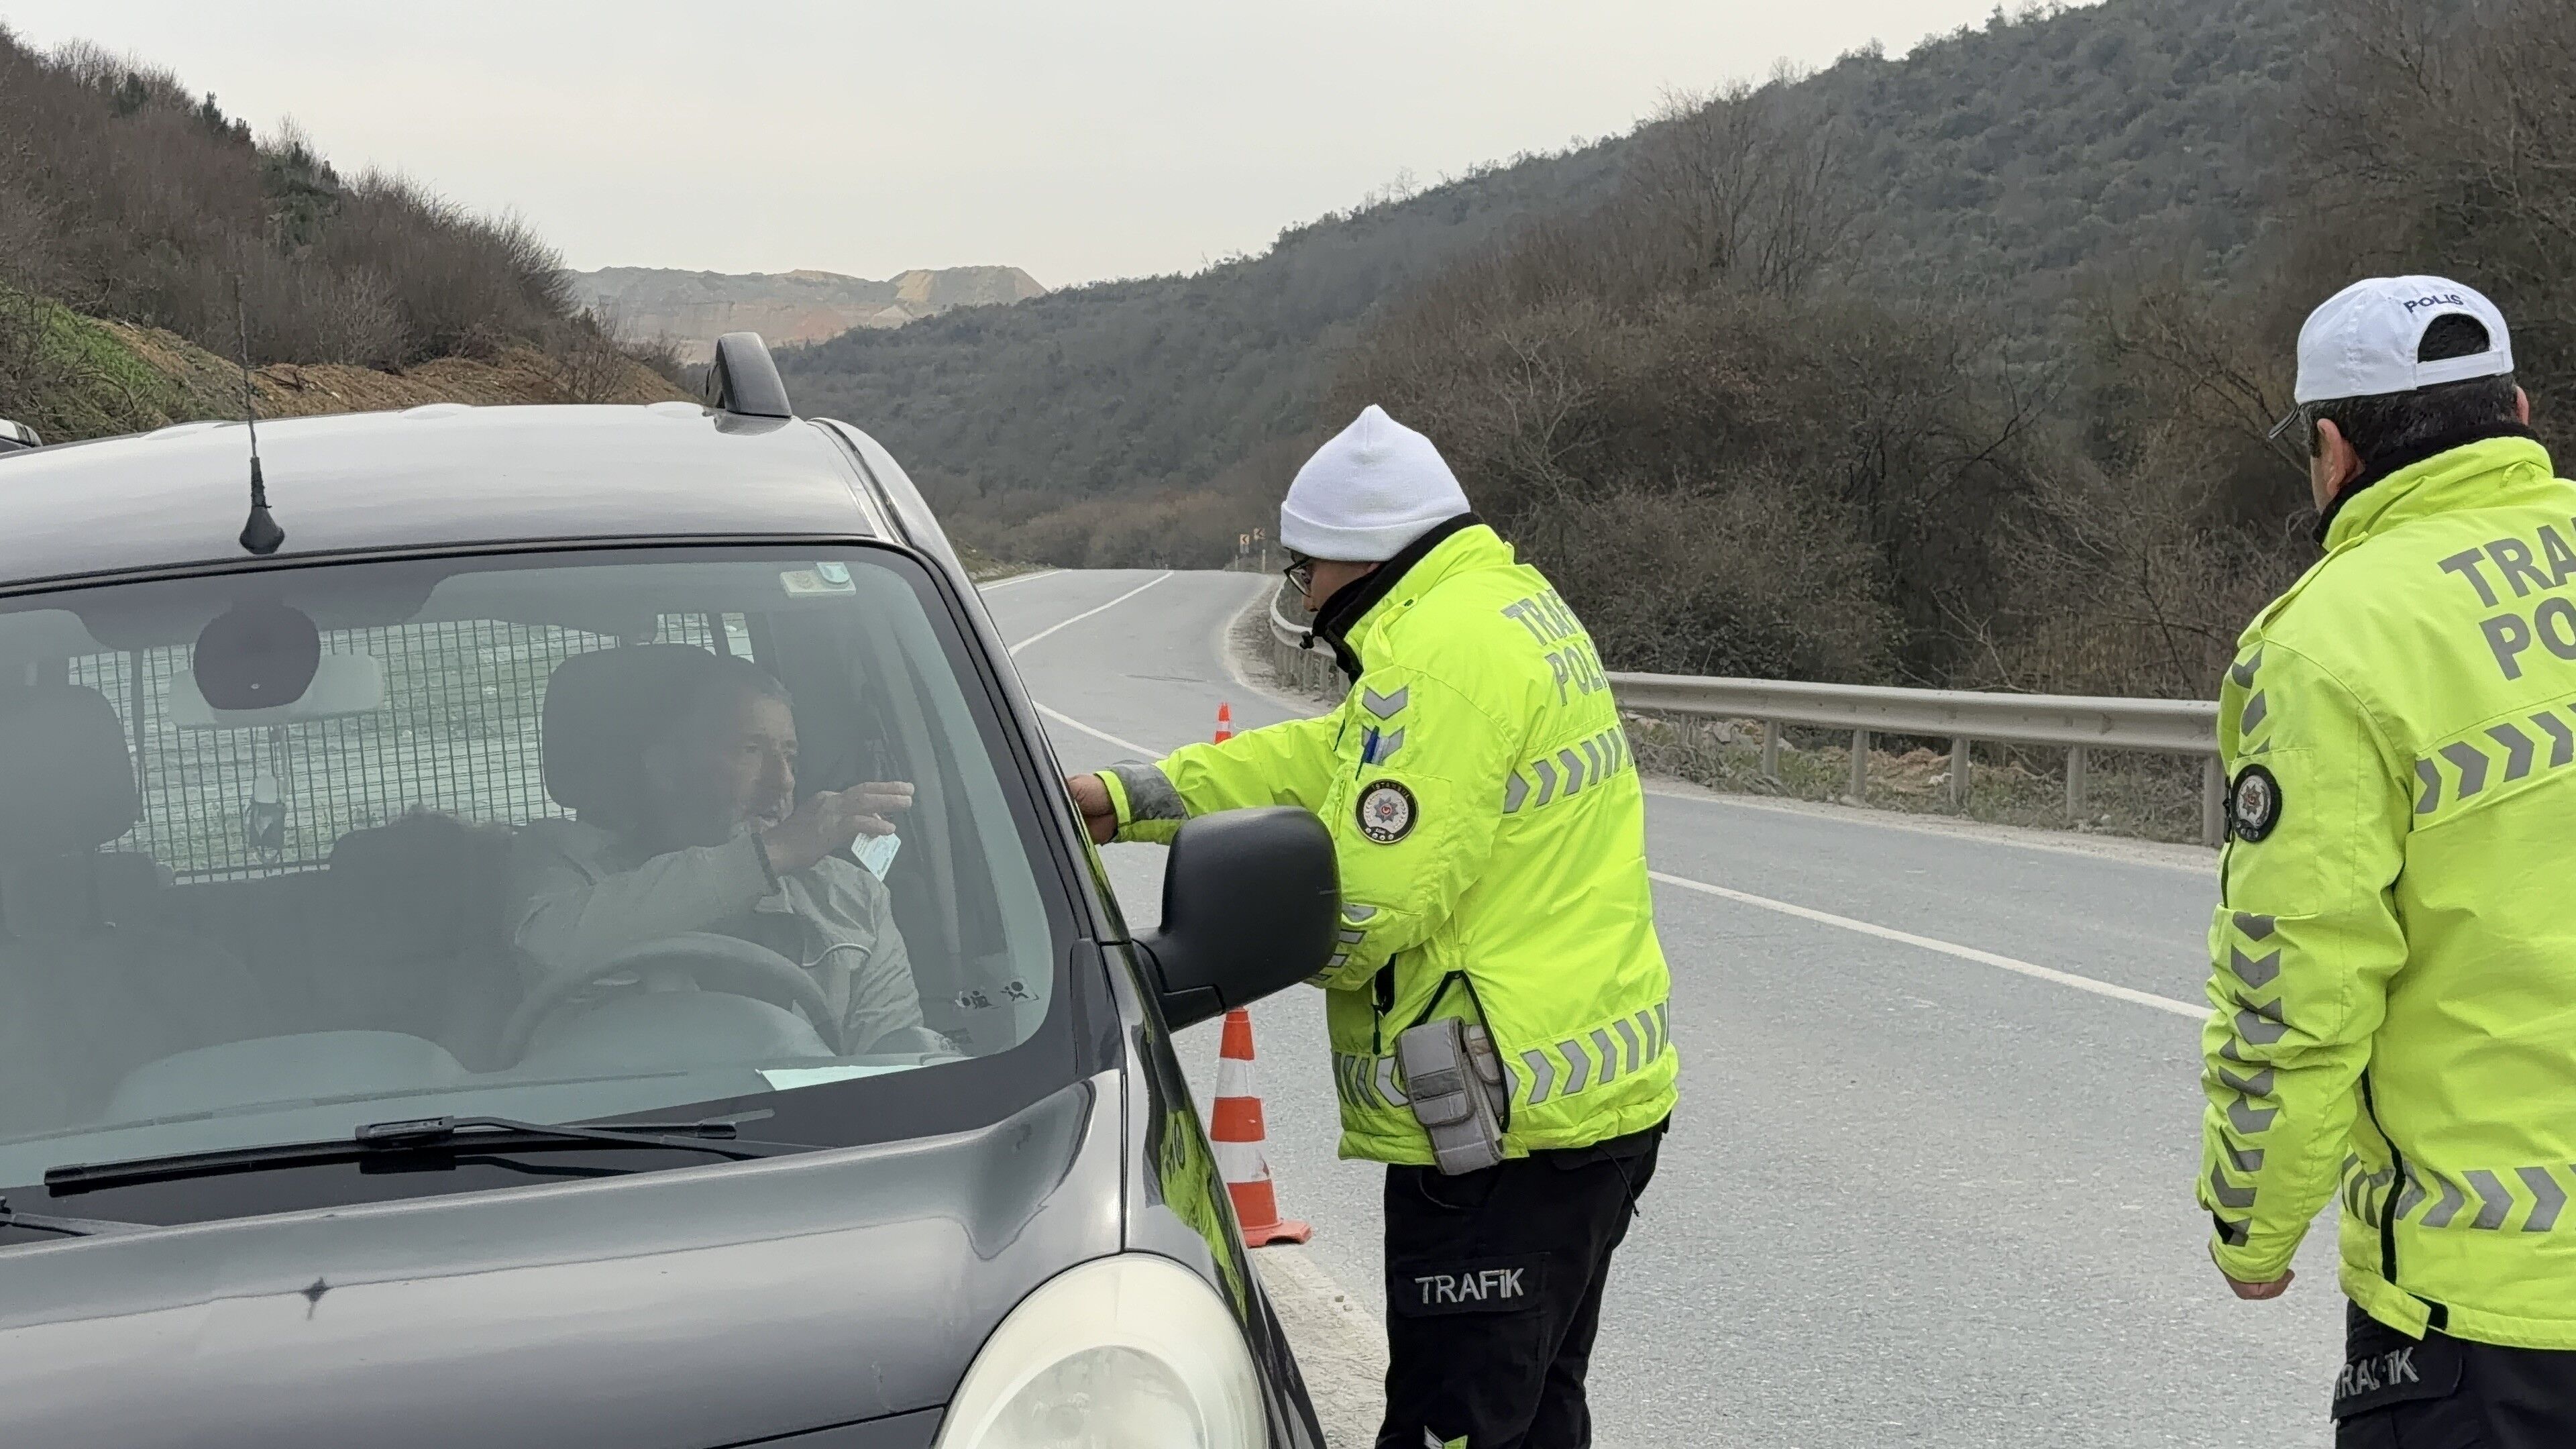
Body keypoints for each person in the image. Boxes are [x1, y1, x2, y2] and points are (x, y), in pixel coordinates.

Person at [1068, 405, 1677, 1449]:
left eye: (1308, 569)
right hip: (1590, 1113)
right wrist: (1132, 798)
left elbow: (1370, 906)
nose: (1302, 592)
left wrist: (1230, 949)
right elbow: (1325, 765)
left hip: (1498, 1140)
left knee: (1454, 1426)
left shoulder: (1434, 660)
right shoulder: (1501, 607)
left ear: (1361, 559)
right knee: (1535, 1416)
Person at [2200, 275, 2576, 1443]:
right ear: (2517, 409)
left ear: (2331, 447)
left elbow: (2297, 981)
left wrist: (2253, 1226)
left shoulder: (2330, 641)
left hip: (2494, 1309)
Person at [510, 651, 932, 1054]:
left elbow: (895, 1068)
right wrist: (770, 855)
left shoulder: (855, 901)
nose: (783, 782)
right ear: (667, 768)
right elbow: (547, 954)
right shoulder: (564, 862)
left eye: (790, 756)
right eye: (751, 751)